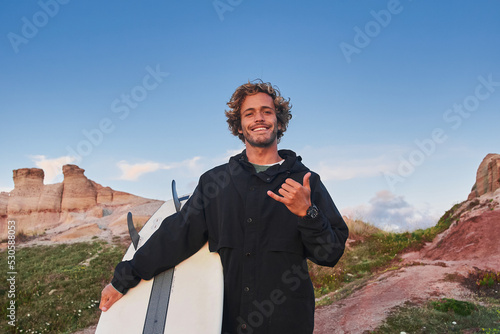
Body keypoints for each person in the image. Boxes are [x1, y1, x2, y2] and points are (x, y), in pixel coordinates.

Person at [100, 80, 349, 333]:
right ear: (239, 127)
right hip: (227, 322)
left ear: (280, 122)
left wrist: (308, 213)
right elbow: (177, 236)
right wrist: (123, 280)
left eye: (267, 111)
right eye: (249, 114)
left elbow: (330, 254)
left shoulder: (305, 182)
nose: (258, 119)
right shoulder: (216, 183)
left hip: (287, 323)